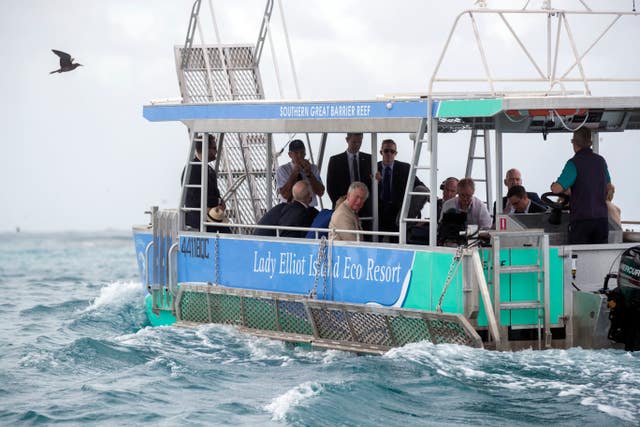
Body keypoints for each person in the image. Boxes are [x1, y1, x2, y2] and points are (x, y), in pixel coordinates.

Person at [551, 127, 611, 244]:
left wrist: (553, 185)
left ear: (574, 143)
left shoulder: (574, 163)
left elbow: (557, 189)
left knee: (577, 258)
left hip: (582, 221)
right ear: (590, 143)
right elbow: (608, 186)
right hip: (601, 220)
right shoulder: (601, 161)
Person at [375, 139, 425, 242]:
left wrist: (433, 197)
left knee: (397, 241)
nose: (389, 154)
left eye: (392, 151)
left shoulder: (404, 168)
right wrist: (376, 182)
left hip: (397, 211)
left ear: (396, 153)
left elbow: (418, 184)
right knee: (377, 241)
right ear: (381, 152)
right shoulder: (373, 168)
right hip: (378, 211)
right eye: (386, 151)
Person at [326, 133, 373, 229]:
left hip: (364, 206)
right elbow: (331, 186)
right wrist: (340, 204)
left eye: (359, 142)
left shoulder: (369, 159)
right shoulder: (335, 160)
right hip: (344, 205)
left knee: (366, 235)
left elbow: (372, 184)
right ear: (347, 140)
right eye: (354, 142)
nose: (357, 145)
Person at [182, 134, 226, 230]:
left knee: (226, 232)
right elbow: (194, 199)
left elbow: (215, 193)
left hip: (210, 216)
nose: (216, 151)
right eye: (214, 148)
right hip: (199, 218)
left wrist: (220, 203)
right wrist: (218, 201)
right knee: (225, 233)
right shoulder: (192, 168)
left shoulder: (209, 169)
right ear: (206, 148)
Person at [276, 139, 324, 207]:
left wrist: (309, 174)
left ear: (305, 153)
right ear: (290, 155)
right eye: (296, 153)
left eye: (302, 152)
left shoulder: (313, 168)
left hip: (309, 208)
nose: (299, 156)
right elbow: (285, 195)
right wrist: (295, 173)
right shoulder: (283, 170)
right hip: (289, 208)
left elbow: (321, 192)